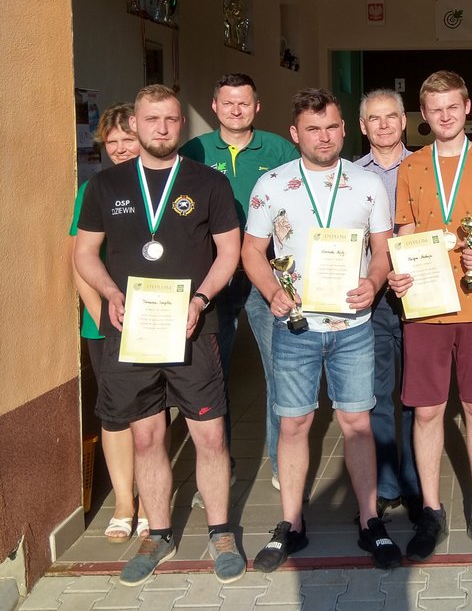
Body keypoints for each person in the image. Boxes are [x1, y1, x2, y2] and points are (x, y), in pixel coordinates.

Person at [74, 84, 244, 586]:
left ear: (181, 123)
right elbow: (84, 254)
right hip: (133, 331)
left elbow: (229, 252)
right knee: (147, 436)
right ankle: (160, 534)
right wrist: (110, 293)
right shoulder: (105, 185)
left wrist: (200, 299)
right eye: (152, 119)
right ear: (136, 124)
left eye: (171, 119)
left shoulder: (209, 182)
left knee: (209, 435)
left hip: (193, 327)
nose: (162, 128)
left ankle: (221, 533)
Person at [243, 89, 401, 571]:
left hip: (353, 326)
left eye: (332, 127)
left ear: (344, 129)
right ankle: (291, 523)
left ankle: (370, 521)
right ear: (295, 134)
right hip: (296, 326)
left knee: (357, 424)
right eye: (313, 129)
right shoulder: (271, 185)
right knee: (294, 424)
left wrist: (374, 282)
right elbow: (252, 251)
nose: (324, 137)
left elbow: (382, 248)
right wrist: (272, 291)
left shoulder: (367, 184)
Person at [388, 70, 472, 562]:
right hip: (426, 306)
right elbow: (404, 231)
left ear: (467, 107)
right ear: (424, 114)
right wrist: (400, 273)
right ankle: (432, 509)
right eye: (435, 109)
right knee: (427, 411)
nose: (444, 116)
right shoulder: (411, 166)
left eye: (452, 107)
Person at [180, 73, 297, 492]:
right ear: (214, 106)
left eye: (244, 103)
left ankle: (282, 463)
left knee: (279, 372)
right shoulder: (194, 151)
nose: (236, 110)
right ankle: (221, 465)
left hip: (267, 275)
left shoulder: (280, 149)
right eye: (228, 102)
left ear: (257, 107)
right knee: (213, 374)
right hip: (214, 278)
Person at [70, 103, 149, 542]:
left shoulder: (163, 184)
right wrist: (103, 318)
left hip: (153, 319)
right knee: (116, 413)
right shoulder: (94, 189)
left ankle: (151, 497)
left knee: (151, 410)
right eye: (112, 142)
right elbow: (79, 262)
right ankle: (123, 503)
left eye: (127, 140)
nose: (119, 149)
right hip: (106, 324)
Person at [354, 88, 422, 522]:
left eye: (391, 116)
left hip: (419, 293)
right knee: (378, 393)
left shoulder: (424, 167)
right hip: (375, 298)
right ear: (363, 127)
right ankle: (385, 482)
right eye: (374, 119)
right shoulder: (349, 176)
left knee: (416, 394)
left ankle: (415, 481)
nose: (383, 125)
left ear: (403, 121)